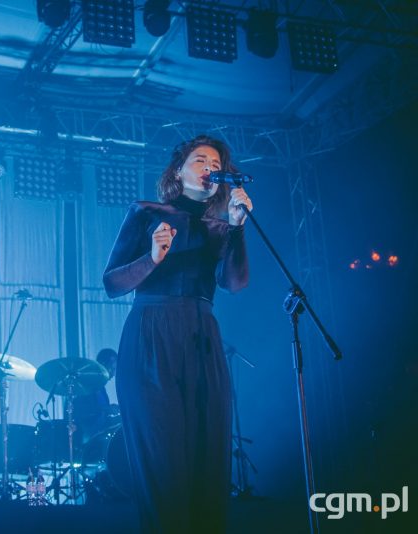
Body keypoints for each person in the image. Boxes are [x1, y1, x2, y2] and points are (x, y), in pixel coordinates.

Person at [103, 135, 252, 533]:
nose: (209, 168)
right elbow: (112, 283)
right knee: (162, 460)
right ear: (177, 172)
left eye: (216, 164)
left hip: (201, 336)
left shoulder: (221, 227)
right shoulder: (146, 212)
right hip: (150, 335)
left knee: (209, 455)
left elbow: (235, 283)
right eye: (200, 160)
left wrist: (238, 229)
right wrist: (151, 259)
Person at [73, 348, 119, 441]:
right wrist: (107, 409)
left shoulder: (101, 388)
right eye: (112, 368)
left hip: (99, 435)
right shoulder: (86, 385)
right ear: (103, 364)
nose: (113, 374)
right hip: (88, 438)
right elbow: (81, 412)